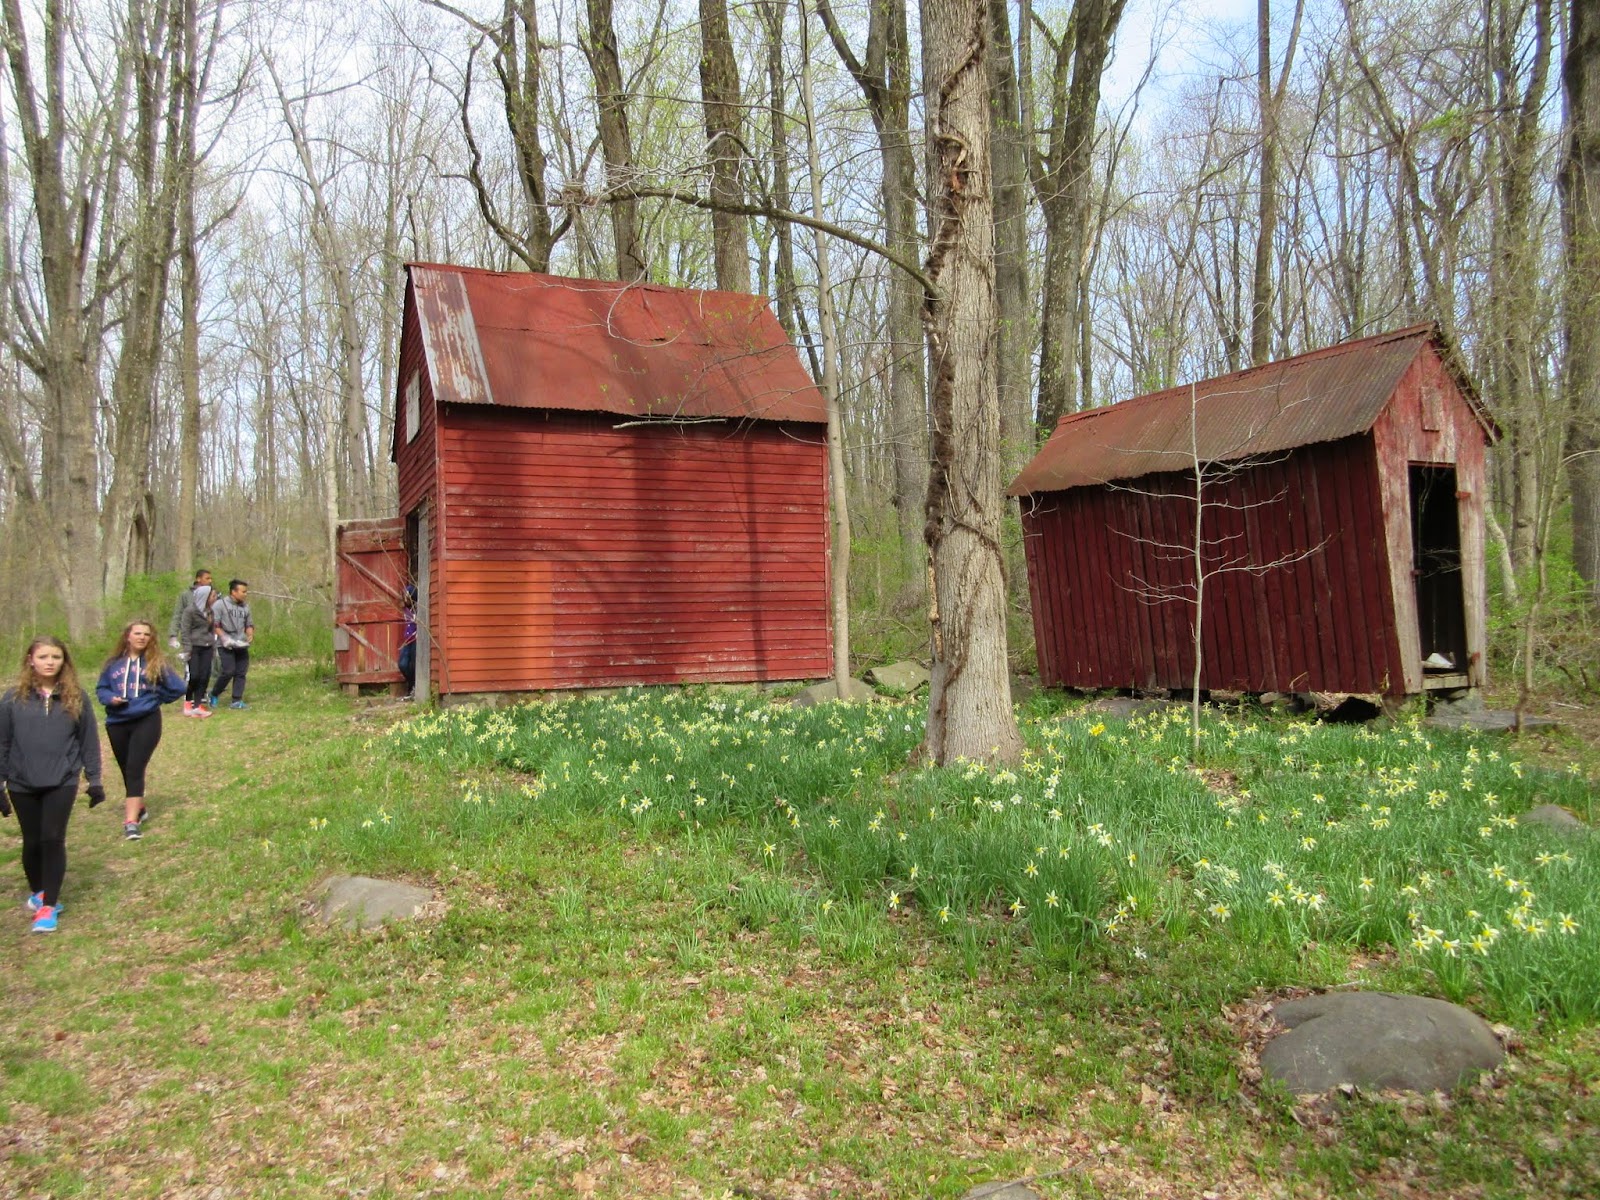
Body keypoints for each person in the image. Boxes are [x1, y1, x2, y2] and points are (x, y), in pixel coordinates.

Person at [0, 636, 105, 933]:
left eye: (56, 657)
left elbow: (88, 740)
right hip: (22, 782)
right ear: (30, 660)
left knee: (52, 838)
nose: (50, 662)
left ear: (64, 661)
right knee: (32, 842)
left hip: (62, 779)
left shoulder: (76, 697)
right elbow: (3, 743)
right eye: (43, 656)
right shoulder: (11, 699)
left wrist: (94, 780)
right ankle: (40, 893)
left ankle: (48, 908)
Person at [96, 621, 186, 840]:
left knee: (135, 768)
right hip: (117, 722)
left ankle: (131, 822)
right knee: (126, 768)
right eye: (137, 633)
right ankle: (140, 807)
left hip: (146, 721)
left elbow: (179, 687)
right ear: (128, 635)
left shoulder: (156, 663)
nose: (142, 637)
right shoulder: (113, 664)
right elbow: (101, 689)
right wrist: (111, 699)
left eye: (147, 634)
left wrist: (155, 698)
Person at [209, 579, 254, 709]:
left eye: (246, 591)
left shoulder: (245, 607)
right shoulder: (219, 605)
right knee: (228, 671)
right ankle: (214, 693)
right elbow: (215, 624)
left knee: (241, 672)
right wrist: (224, 637)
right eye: (243, 591)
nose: (245, 594)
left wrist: (250, 634)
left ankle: (236, 700)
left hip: (241, 643)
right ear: (233, 592)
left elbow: (249, 623)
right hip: (225, 644)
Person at [178, 583, 218, 718]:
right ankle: (188, 702)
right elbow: (185, 631)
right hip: (194, 647)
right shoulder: (190, 611)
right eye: (212, 596)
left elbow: (211, 630)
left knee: (205, 675)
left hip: (207, 647)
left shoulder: (210, 612)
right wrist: (187, 648)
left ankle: (198, 704)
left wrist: (213, 645)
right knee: (194, 675)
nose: (214, 598)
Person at [167, 569, 212, 651]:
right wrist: (173, 635)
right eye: (207, 578)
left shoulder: (213, 594)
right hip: (190, 636)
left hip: (208, 636)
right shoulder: (186, 595)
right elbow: (178, 615)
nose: (210, 581)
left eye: (210, 579)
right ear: (198, 579)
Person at [398, 584, 417, 699]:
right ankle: (411, 684)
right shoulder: (406, 609)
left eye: (407, 596)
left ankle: (413, 688)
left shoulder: (418, 609)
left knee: (414, 665)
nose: (405, 598)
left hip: (416, 639)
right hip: (408, 639)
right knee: (403, 664)